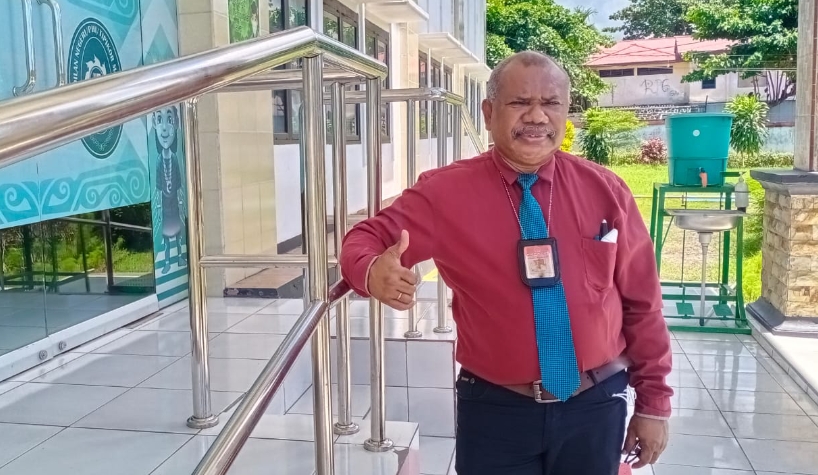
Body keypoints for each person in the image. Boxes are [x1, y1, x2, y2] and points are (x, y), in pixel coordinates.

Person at [340, 51, 672, 475]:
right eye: (520, 102)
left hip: (596, 403)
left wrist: (654, 404)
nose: (537, 116)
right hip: (496, 409)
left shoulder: (605, 189)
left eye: (550, 103)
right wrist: (371, 271)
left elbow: (643, 303)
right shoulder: (446, 193)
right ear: (488, 113)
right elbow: (363, 238)